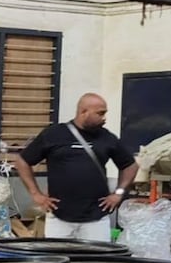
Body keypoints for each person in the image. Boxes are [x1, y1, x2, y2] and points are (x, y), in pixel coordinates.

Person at [15, 93, 139, 241]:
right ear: (83, 112)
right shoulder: (54, 134)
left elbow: (130, 166)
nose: (104, 118)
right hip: (59, 217)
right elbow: (22, 162)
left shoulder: (106, 138)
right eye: (100, 113)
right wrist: (36, 194)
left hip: (96, 219)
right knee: (58, 255)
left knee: (96, 256)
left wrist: (118, 193)